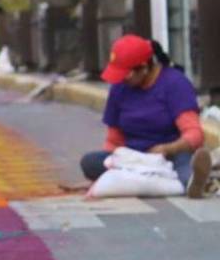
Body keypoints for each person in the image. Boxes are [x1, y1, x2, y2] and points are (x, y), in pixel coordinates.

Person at [80, 35, 212, 198]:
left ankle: (191, 180)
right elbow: (114, 140)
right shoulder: (119, 88)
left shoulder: (175, 84)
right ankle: (156, 178)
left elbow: (194, 135)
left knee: (186, 169)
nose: (122, 79)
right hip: (133, 158)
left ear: (143, 67)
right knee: (90, 162)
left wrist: (167, 148)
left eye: (126, 74)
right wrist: (111, 163)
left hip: (170, 156)